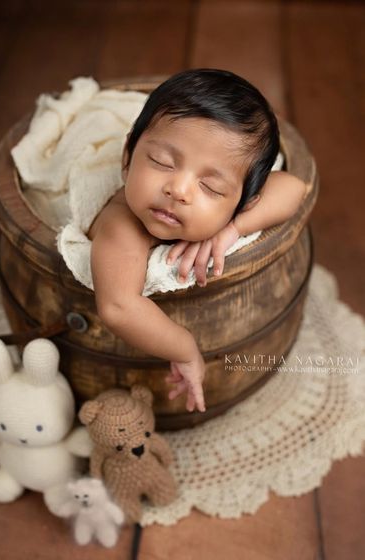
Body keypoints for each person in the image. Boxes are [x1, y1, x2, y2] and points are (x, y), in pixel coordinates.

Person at [87, 68, 306, 414]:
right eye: (161, 161)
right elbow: (118, 307)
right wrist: (185, 348)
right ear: (127, 156)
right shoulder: (121, 224)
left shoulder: (238, 209)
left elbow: (295, 188)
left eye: (211, 187)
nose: (179, 189)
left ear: (244, 201)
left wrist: (232, 228)